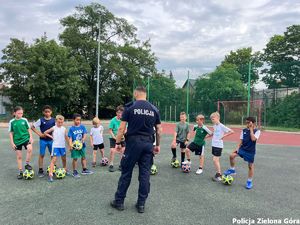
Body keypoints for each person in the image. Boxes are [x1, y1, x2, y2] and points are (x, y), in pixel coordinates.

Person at [110, 86, 162, 213]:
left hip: (133, 143)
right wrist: (157, 145)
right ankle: (141, 204)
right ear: (145, 94)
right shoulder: (154, 109)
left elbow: (121, 128)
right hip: (148, 143)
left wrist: (117, 142)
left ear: (135, 94)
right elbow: (159, 130)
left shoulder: (130, 107)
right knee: (145, 175)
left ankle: (119, 202)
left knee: (126, 172)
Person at [223, 117, 261, 189]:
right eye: (246, 122)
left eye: (248, 122)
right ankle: (232, 169)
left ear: (253, 123)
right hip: (243, 149)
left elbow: (253, 139)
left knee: (250, 166)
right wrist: (237, 148)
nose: (247, 124)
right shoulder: (243, 130)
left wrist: (251, 130)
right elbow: (241, 140)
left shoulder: (257, 131)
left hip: (250, 151)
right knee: (232, 155)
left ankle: (249, 181)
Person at [9, 106, 34, 179]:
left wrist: (31, 137)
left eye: (21, 113)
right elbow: (11, 133)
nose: (20, 115)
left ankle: (27, 164)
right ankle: (20, 172)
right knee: (19, 156)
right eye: (19, 113)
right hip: (17, 141)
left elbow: (28, 129)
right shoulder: (12, 122)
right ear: (14, 113)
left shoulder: (24, 120)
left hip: (25, 138)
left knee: (30, 148)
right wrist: (12, 143)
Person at [31, 105, 55, 177]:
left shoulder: (53, 120)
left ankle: (52, 168)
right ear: (43, 112)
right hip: (43, 140)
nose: (47, 113)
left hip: (51, 140)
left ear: (51, 112)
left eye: (49, 112)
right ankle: (40, 169)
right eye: (46, 112)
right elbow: (32, 127)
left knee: (52, 155)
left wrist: (54, 136)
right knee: (42, 154)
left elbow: (56, 128)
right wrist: (39, 134)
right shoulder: (41, 120)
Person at [44, 115, 69, 182]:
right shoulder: (54, 128)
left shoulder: (64, 129)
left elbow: (66, 138)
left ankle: (65, 170)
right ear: (56, 121)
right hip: (55, 146)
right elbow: (45, 132)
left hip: (62, 146)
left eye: (61, 122)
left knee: (64, 159)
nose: (60, 123)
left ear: (63, 122)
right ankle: (50, 174)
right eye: (58, 122)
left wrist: (70, 145)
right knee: (54, 160)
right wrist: (51, 137)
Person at [210, 112, 234, 182]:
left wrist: (223, 136)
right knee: (215, 160)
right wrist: (208, 136)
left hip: (219, 145)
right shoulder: (214, 126)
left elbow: (232, 131)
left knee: (215, 160)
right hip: (214, 144)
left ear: (218, 118)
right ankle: (218, 174)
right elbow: (214, 133)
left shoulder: (221, 126)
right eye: (211, 119)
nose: (212, 120)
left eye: (213, 119)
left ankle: (219, 175)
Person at [68, 113, 93, 178]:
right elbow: (70, 137)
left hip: (82, 145)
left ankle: (84, 169)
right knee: (75, 158)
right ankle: (74, 171)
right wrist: (70, 145)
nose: (78, 121)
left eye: (79, 120)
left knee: (83, 157)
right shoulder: (71, 128)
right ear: (73, 120)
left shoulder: (82, 127)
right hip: (75, 147)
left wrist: (83, 139)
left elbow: (84, 134)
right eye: (77, 120)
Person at [108, 106, 125, 172]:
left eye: (121, 113)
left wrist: (122, 135)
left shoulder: (124, 120)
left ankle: (121, 164)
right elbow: (110, 130)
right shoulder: (113, 120)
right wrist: (115, 137)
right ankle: (111, 164)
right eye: (118, 112)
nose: (120, 114)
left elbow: (125, 129)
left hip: (122, 137)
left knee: (123, 150)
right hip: (113, 137)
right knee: (112, 150)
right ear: (116, 113)